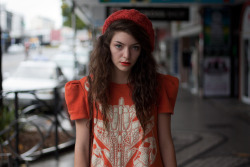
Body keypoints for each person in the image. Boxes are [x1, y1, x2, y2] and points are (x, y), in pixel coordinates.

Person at [65, 9, 179, 167]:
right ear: (107, 47)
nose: (126, 55)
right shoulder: (86, 89)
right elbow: (82, 147)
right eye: (119, 46)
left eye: (135, 47)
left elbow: (165, 142)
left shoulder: (158, 86)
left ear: (142, 51)